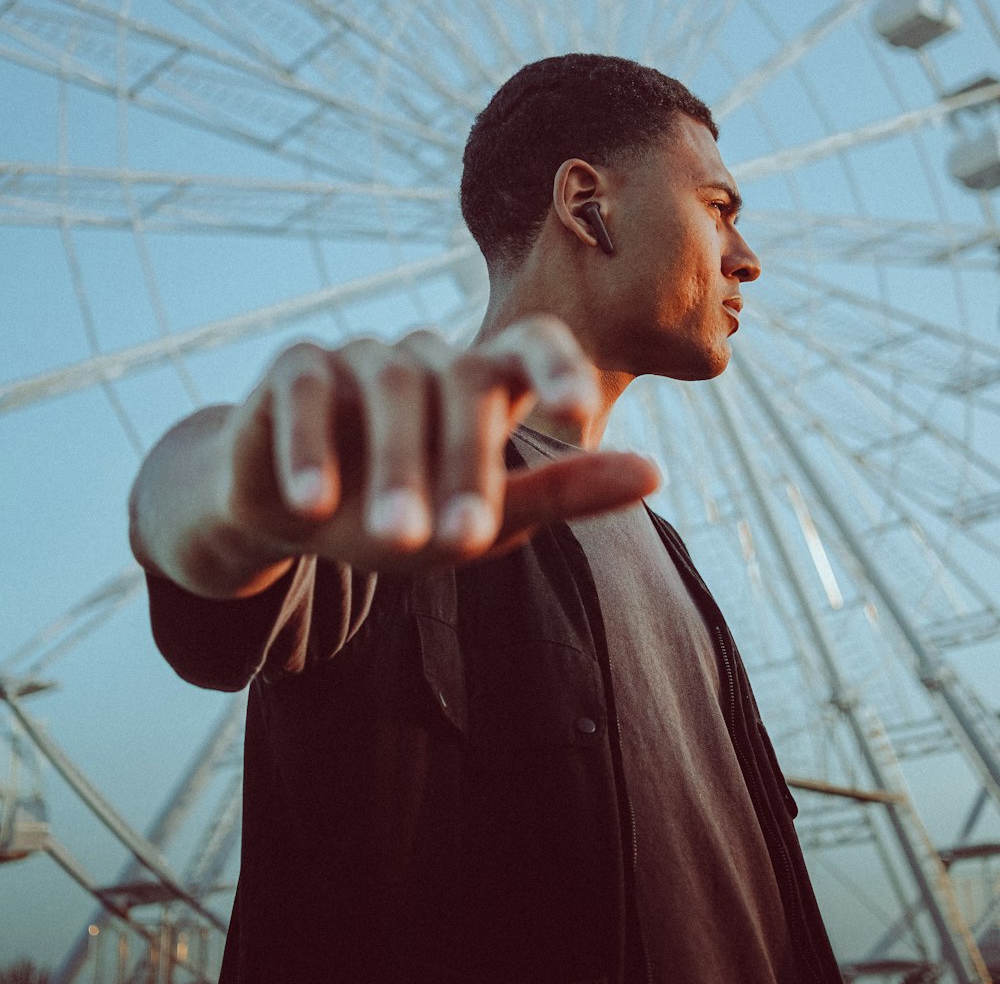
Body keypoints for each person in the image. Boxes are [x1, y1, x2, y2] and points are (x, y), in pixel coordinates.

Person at [129, 54, 841, 983]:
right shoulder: (402, 480)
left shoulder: (665, 555)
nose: (747, 257)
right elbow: (195, 517)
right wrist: (235, 489)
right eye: (719, 207)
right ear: (589, 204)